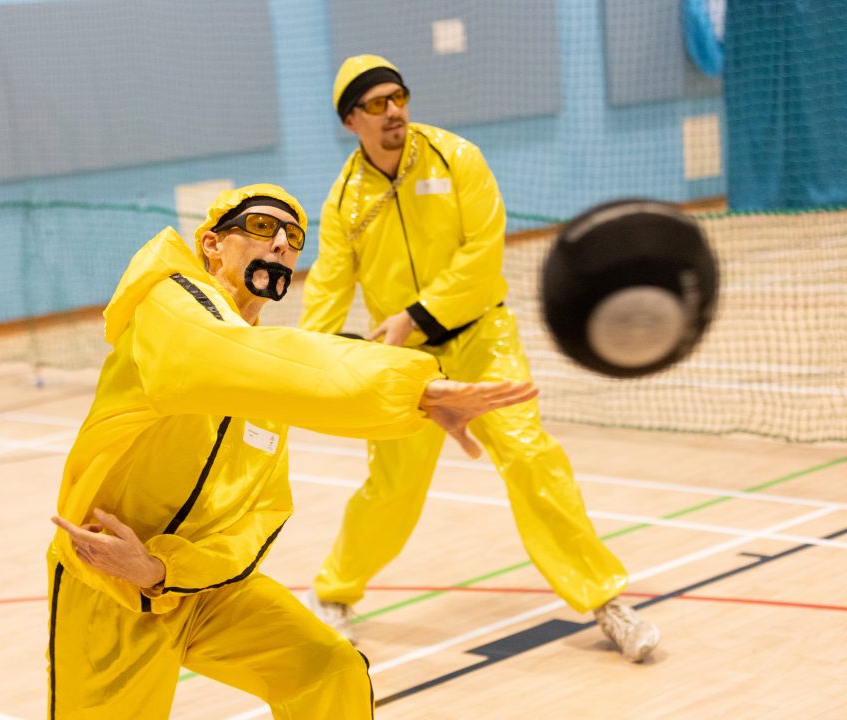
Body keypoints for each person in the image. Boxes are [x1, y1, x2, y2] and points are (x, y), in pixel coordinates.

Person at [46, 183, 539, 719]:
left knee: (329, 672)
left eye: (293, 237)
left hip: (198, 585)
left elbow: (260, 513)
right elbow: (226, 357)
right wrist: (411, 388)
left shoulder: (265, 378)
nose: (281, 243)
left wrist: (166, 571)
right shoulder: (168, 303)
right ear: (211, 243)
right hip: (109, 576)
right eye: (260, 227)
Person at [298, 55, 661, 663]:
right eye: (377, 104)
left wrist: (414, 314)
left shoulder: (455, 158)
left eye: (399, 97)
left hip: (481, 337)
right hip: (405, 362)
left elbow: (483, 256)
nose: (394, 112)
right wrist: (302, 367)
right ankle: (333, 593)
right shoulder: (342, 204)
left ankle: (607, 600)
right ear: (350, 121)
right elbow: (326, 295)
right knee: (391, 490)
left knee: (529, 457)